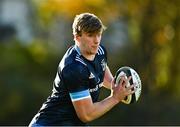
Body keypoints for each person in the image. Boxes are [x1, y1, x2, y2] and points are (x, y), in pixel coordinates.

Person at [29, 12, 135, 126]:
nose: (96, 40)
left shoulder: (100, 51)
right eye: (90, 35)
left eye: (99, 34)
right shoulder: (73, 67)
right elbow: (87, 115)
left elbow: (101, 73)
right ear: (76, 37)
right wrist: (115, 98)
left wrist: (119, 87)